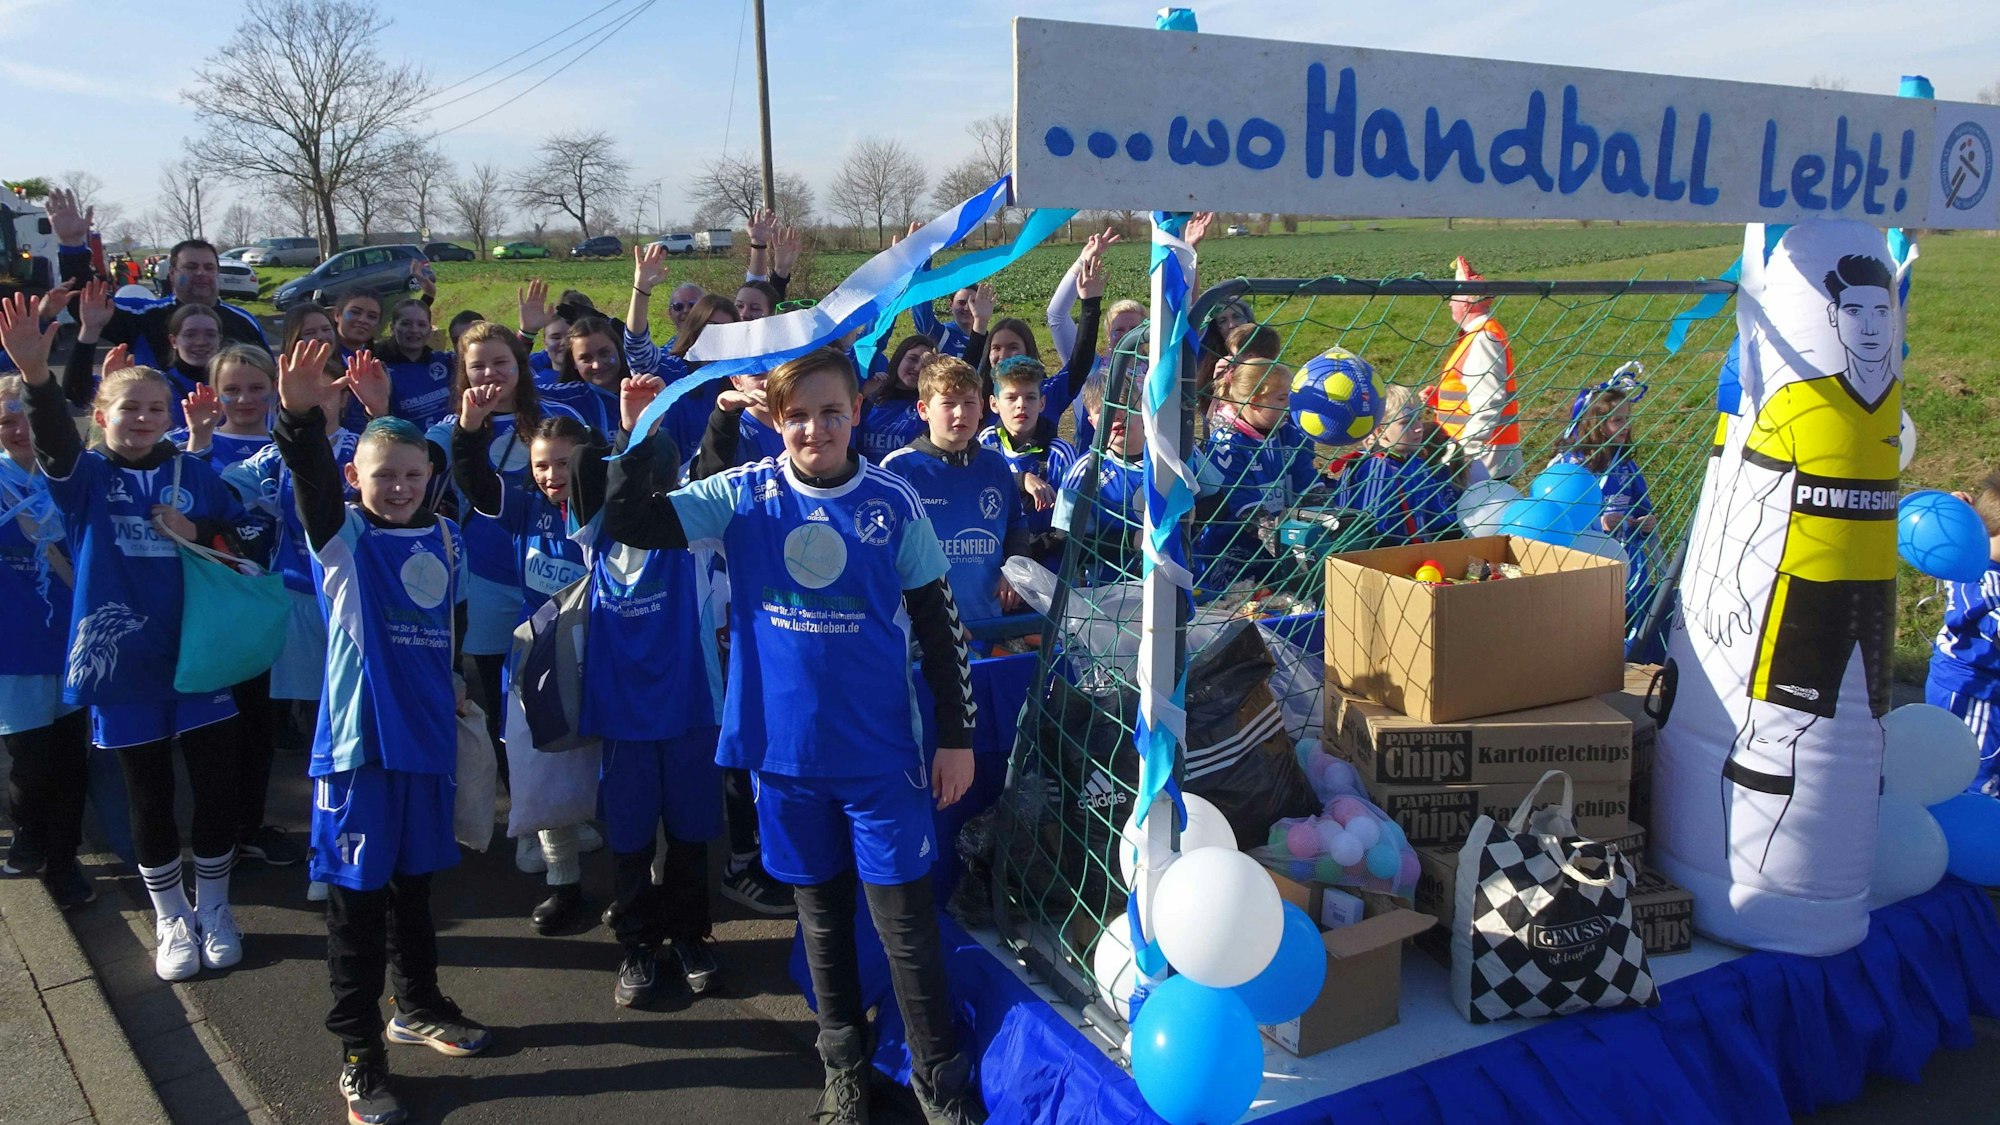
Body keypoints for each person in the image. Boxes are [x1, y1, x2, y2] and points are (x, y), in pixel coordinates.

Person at [604, 346, 986, 1124]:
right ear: (776, 420)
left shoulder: (893, 499)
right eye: (799, 415)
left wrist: (956, 733)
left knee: (905, 927)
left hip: (883, 760)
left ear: (857, 413)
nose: (817, 428)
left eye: (833, 411)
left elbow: (940, 627)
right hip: (784, 761)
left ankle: (939, 1085)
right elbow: (628, 518)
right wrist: (638, 434)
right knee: (821, 917)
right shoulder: (742, 493)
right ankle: (842, 1066)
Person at [5, 291, 257, 983]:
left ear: (168, 415)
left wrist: (201, 533)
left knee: (214, 791)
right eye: (128, 409)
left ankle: (215, 904)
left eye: (153, 408)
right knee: (149, 797)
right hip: (121, 667)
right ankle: (171, 914)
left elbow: (249, 541)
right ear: (105, 418)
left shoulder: (193, 474)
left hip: (200, 656)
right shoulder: (85, 480)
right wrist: (35, 376)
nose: (142, 418)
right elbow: (55, 437)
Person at [272, 338, 491, 1125]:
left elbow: (451, 618)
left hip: (426, 744)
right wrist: (300, 419)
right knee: (356, 908)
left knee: (414, 890)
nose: (397, 486)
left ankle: (419, 1004)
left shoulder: (443, 536)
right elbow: (308, 484)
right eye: (382, 474)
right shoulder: (342, 540)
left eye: (410, 473)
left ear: (428, 478)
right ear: (354, 479)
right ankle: (360, 1056)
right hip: (361, 748)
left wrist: (458, 678)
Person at [564, 420, 728, 1007]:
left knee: (688, 837)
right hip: (622, 714)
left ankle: (689, 936)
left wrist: (725, 416)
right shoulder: (597, 532)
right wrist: (632, 433)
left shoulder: (695, 531)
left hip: (693, 709)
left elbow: (714, 462)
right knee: (630, 840)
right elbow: (585, 461)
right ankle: (636, 944)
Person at [450, 399, 595, 933]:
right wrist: (468, 430)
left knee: (622, 771)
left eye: (564, 462)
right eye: (541, 465)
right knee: (543, 765)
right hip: (539, 656)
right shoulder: (524, 508)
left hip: (604, 654)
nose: (553, 475)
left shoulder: (611, 505)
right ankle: (564, 881)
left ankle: (644, 884)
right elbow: (472, 478)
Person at [0, 373, 92, 909]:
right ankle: (27, 830)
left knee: (70, 764)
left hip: (72, 645)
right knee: (31, 766)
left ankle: (63, 860)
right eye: (7, 420)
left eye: (26, 417)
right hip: (14, 648)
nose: (18, 429)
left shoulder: (71, 479)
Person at [882, 354, 1031, 635]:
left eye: (969, 403)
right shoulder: (899, 469)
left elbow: (1016, 525)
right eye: (948, 404)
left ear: (982, 408)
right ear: (924, 409)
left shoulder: (995, 464)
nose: (960, 413)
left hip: (989, 623)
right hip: (924, 634)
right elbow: (882, 555)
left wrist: (1014, 569)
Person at [46, 190, 269, 367]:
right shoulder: (146, 318)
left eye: (209, 267)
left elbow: (269, 379)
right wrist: (72, 245)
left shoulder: (244, 322)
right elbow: (86, 305)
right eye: (191, 267)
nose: (201, 273)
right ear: (172, 274)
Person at [1554, 363, 1657, 622]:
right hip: (1587, 562)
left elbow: (1642, 506)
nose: (1626, 426)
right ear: (1596, 424)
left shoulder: (1626, 466)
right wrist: (1599, 524)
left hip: (1627, 560)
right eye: (1617, 420)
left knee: (1630, 616)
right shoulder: (1572, 466)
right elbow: (1559, 519)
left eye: (1627, 418)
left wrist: (1645, 523)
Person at [1191, 357, 1302, 597]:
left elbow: (1307, 481)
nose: (1289, 406)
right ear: (1254, 402)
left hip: (1284, 538)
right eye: (1282, 399)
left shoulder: (1290, 433)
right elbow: (1246, 510)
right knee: (1248, 606)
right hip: (1234, 547)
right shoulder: (1227, 444)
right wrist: (1289, 547)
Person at [1926, 473, 2000, 796]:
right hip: (1973, 693)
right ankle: (1961, 838)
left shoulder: (1969, 556)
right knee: (1971, 777)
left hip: (1977, 686)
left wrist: (1966, 515)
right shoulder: (1985, 580)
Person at [1328, 382, 1460, 548]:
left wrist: (1457, 539)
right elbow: (1372, 529)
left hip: (1415, 553)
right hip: (1381, 556)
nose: (1419, 429)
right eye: (1406, 423)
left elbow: (1438, 515)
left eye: (1418, 419)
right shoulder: (1377, 468)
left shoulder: (1417, 464)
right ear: (1379, 431)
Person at [1054, 368, 1147, 584]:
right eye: (1104, 410)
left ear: (1142, 407)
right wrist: (1131, 541)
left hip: (1187, 585)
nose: (1116, 416)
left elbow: (1217, 501)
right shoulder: (1085, 471)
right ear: (1093, 423)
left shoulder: (1172, 453)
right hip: (1112, 593)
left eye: (1123, 405)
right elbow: (1066, 540)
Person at [1433, 256, 1520, 482]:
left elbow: (1488, 402)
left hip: (1480, 462)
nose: (1450, 304)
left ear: (1466, 302)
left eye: (1452, 297)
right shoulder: (1479, 334)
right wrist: (1438, 400)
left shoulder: (1483, 338)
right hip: (1482, 456)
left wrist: (1463, 452)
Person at [979, 356, 1076, 540]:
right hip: (995, 550)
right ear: (994, 404)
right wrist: (1021, 480)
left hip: (1044, 560)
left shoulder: (1060, 455)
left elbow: (1072, 527)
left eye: (1030, 397)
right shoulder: (987, 441)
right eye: (1011, 397)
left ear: (1042, 403)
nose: (1021, 404)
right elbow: (977, 485)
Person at [375, 298, 456, 429]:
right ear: (392, 328)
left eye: (422, 324)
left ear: (430, 330)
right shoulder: (380, 371)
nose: (414, 330)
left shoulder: (446, 362)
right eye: (406, 324)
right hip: (409, 446)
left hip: (449, 443)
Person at [858, 335, 937, 464]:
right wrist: (863, 395)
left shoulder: (930, 408)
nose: (917, 368)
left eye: (925, 365)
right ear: (899, 358)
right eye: (912, 359)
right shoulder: (870, 397)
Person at [542, 315, 625, 437]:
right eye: (586, 358)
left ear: (618, 348)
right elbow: (517, 390)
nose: (597, 365)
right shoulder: (567, 397)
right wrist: (527, 335)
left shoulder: (647, 383)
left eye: (604, 353)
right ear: (573, 362)